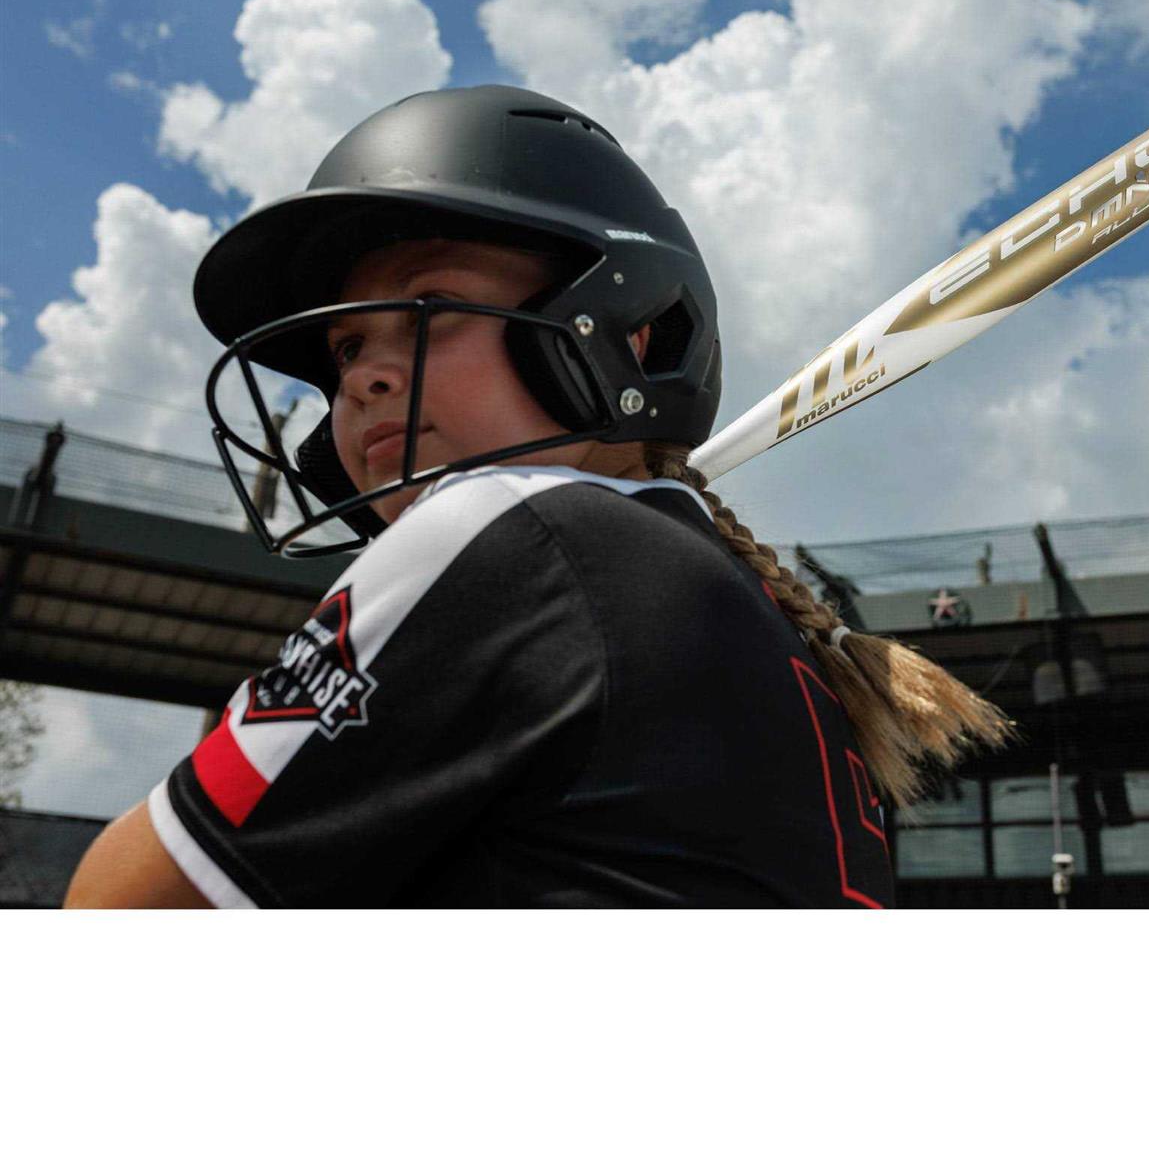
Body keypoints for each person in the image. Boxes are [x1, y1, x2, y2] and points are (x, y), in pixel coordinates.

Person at [65, 85, 1011, 908]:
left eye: (430, 311)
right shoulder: (748, 609)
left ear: (629, 333)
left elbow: (117, 910)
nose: (363, 378)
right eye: (347, 347)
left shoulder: (507, 531)